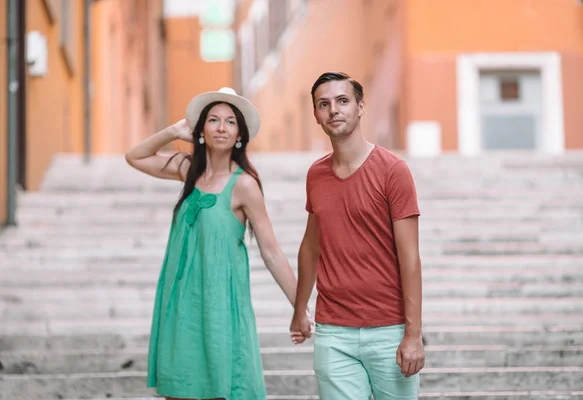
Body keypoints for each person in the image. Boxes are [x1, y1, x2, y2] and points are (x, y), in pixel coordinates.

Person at [125, 87, 299, 400]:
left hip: (219, 303)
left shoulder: (244, 185)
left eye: (230, 122)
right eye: (213, 120)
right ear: (201, 130)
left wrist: (301, 307)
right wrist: (174, 131)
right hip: (180, 300)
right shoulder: (187, 169)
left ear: (240, 135)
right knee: (179, 388)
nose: (221, 127)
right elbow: (134, 156)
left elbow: (272, 252)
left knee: (221, 389)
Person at [289, 72, 425, 399]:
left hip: (389, 330)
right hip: (333, 332)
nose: (333, 110)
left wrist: (413, 334)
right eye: (324, 104)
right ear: (316, 115)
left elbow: (410, 258)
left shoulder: (394, 171)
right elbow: (310, 247)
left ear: (360, 107)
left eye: (343, 101)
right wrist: (299, 308)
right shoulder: (316, 175)